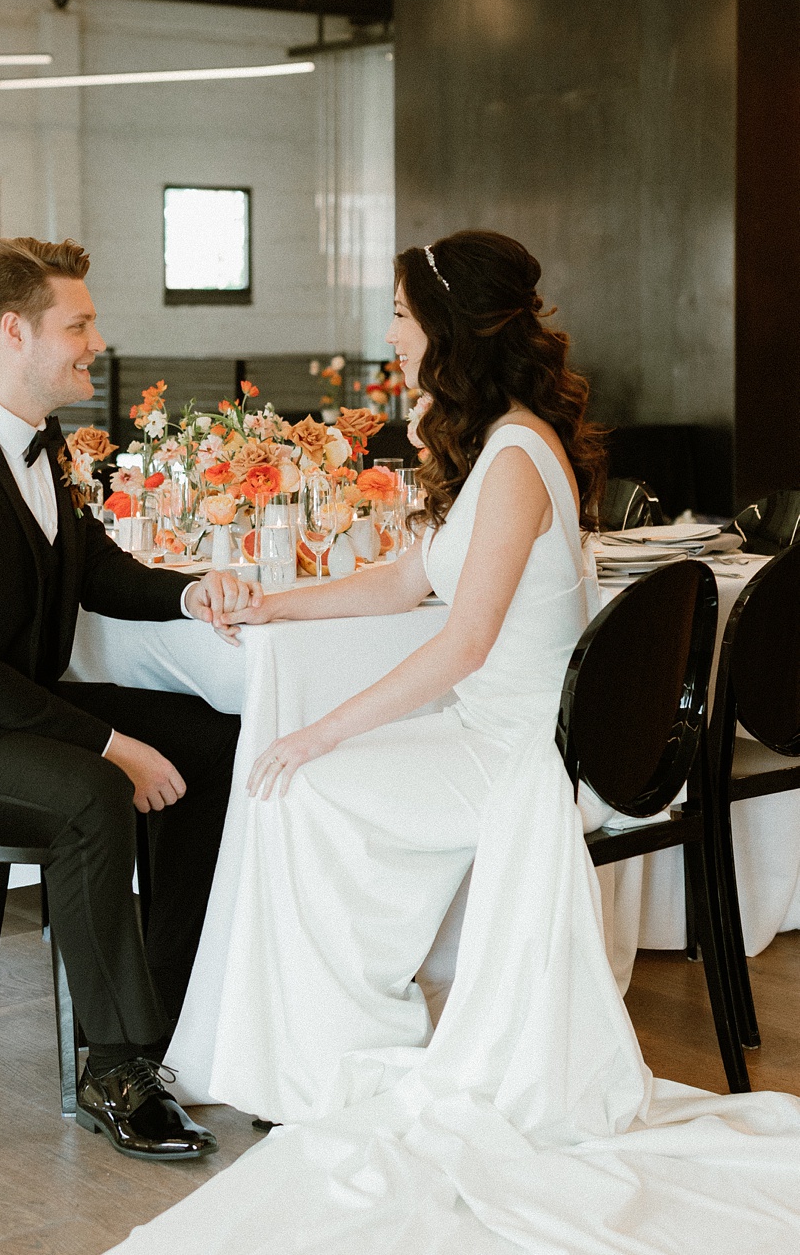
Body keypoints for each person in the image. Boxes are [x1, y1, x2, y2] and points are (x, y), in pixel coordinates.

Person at [111, 231, 800, 1255]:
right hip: (490, 730)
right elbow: (404, 582)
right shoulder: (495, 442)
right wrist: (274, 608)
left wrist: (319, 730)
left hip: (520, 753)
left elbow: (464, 640)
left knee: (299, 787)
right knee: (301, 788)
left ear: (445, 327)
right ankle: (335, 1045)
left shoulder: (518, 455)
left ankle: (348, 1054)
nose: (386, 334)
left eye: (397, 314)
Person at [0, 235, 258, 1162]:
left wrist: (188, 591)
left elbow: (91, 567)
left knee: (215, 740)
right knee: (93, 792)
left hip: (0, 706)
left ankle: (171, 1009)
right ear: (17, 332)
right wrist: (111, 743)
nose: (96, 341)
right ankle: (114, 1065)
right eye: (81, 324)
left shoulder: (41, 441)